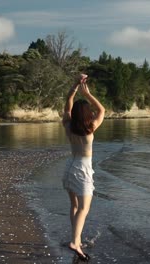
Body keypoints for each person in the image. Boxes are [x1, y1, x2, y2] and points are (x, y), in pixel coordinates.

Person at [62, 74, 105, 261]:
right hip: (83, 169)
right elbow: (102, 109)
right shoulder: (91, 127)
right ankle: (74, 241)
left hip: (69, 167)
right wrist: (87, 94)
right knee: (84, 209)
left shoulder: (68, 126)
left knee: (74, 205)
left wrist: (75, 86)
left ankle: (76, 240)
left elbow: (68, 101)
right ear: (87, 114)